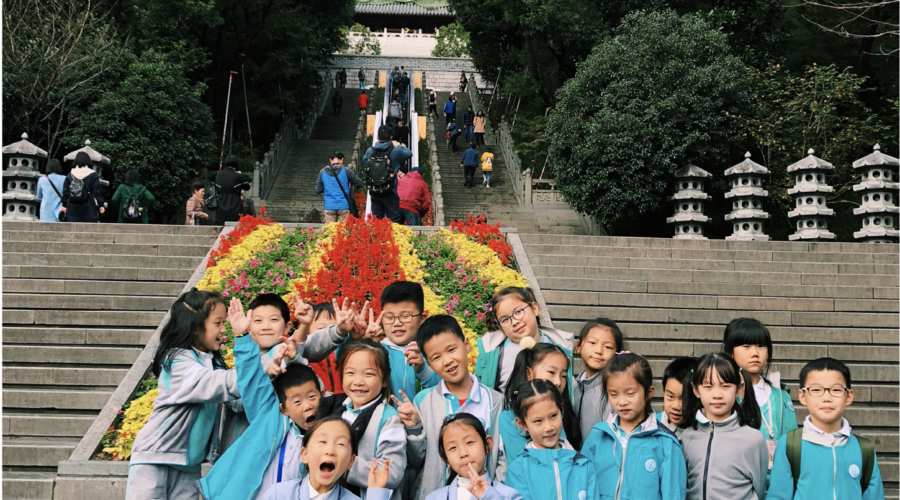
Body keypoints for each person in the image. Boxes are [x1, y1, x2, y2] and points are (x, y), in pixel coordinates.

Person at [127, 289, 241, 500]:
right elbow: (215, 384)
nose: (223, 329)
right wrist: (256, 362)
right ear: (196, 325)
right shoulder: (177, 362)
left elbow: (240, 398)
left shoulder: (213, 365)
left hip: (189, 466)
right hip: (155, 459)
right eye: (217, 323)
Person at [199, 318, 317, 500]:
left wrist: (296, 359)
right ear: (283, 408)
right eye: (297, 401)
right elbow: (252, 381)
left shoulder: (323, 433)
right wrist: (243, 337)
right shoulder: (270, 418)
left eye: (312, 397)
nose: (308, 405)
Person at [396, 315, 507, 500]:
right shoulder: (424, 402)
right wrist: (414, 428)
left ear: (466, 344)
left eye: (451, 349)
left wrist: (496, 494)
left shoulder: (495, 401)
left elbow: (502, 456)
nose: (447, 361)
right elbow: (416, 461)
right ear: (429, 363)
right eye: (436, 357)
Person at [768, 357, 884, 500]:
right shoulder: (790, 445)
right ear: (802, 396)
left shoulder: (863, 449)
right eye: (816, 390)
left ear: (849, 396)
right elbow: (778, 496)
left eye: (836, 389)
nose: (826, 397)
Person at [581, 352, 687, 500]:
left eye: (630, 393)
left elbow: (673, 495)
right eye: (614, 394)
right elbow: (582, 484)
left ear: (649, 392)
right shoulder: (598, 435)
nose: (622, 401)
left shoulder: (666, 442)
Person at [315, 339, 407, 500]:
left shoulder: (389, 419)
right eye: (350, 373)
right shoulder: (334, 408)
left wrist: (346, 463)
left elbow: (392, 472)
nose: (358, 381)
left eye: (369, 374)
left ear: (384, 380)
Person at [681, 353, 767, 500]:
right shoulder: (686, 437)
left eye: (725, 386)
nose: (717, 395)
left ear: (739, 389)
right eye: (708, 386)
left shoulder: (753, 440)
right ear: (696, 390)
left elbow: (759, 490)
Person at [723, 317, 798, 473]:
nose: (755, 353)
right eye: (746, 346)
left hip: (776, 481)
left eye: (761, 346)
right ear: (729, 352)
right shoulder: (723, 394)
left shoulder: (781, 396)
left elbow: (792, 442)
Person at [258, 416, 395, 500]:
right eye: (323, 442)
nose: (330, 451)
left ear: (350, 462)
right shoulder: (279, 494)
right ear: (304, 454)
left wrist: (376, 492)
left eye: (340, 444)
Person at [504, 380, 598, 500]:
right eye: (538, 421)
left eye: (553, 416)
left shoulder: (583, 465)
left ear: (562, 410)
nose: (549, 427)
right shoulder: (518, 470)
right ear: (522, 423)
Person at [476, 287, 574, 394]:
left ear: (534, 309)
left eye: (518, 312)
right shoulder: (495, 353)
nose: (514, 322)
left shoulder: (558, 347)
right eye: (505, 320)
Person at [499, 343, 581, 461]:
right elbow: (520, 462)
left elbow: (565, 456)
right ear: (529, 373)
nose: (558, 382)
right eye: (551, 372)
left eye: (563, 376)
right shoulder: (509, 418)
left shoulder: (561, 410)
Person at [424, 414, 523, 500]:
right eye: (453, 448)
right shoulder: (433, 497)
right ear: (446, 458)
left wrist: (490, 496)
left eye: (469, 442)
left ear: (488, 444)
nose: (463, 453)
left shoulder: (508, 494)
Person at [370, 282, 441, 402]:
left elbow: (445, 388)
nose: (397, 323)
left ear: (422, 319)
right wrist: (369, 345)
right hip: (386, 420)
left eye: (405, 316)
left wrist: (422, 369)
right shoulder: (377, 350)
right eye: (389, 317)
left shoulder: (432, 352)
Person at [573, 318, 622, 439]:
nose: (599, 351)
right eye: (592, 343)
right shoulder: (572, 387)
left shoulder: (615, 391)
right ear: (578, 346)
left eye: (608, 347)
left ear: (617, 353)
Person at [363, 125, 413, 224]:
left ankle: (379, 239)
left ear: (377, 137)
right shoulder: (395, 151)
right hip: (390, 190)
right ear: (391, 137)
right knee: (394, 220)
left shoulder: (370, 151)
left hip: (375, 190)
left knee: (376, 221)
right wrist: (398, 145)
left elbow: (365, 160)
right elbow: (409, 153)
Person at [301, 303, 342, 395]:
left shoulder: (344, 354)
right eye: (321, 329)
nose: (327, 333)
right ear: (307, 332)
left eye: (334, 328)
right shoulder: (305, 358)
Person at [315, 152, 363, 223]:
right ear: (342, 159)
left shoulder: (322, 172)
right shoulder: (346, 171)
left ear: (330, 160)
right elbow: (359, 183)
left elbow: (318, 190)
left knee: (329, 231)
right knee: (342, 231)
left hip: (329, 206)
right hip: (343, 206)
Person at [656, 357, 696, 439]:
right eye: (670, 396)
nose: (676, 407)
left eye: (684, 399)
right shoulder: (652, 424)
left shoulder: (699, 434)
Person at [61, 151, 104, 222]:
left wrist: (64, 205)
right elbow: (97, 192)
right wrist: (101, 204)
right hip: (88, 206)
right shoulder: (93, 174)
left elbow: (66, 192)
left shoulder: (70, 175)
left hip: (73, 206)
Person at [216, 155, 251, 223]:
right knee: (234, 224)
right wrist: (241, 176)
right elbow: (247, 187)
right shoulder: (238, 176)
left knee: (220, 224)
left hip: (221, 202)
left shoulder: (219, 174)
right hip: (234, 203)